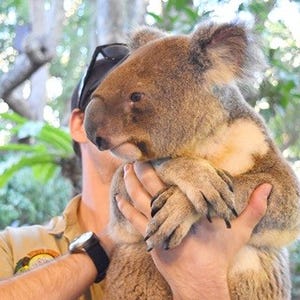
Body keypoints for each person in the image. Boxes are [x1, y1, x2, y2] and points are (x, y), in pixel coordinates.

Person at [0, 43, 271, 299]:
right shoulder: (14, 245)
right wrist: (101, 248)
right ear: (81, 124)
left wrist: (202, 281)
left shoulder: (221, 224)